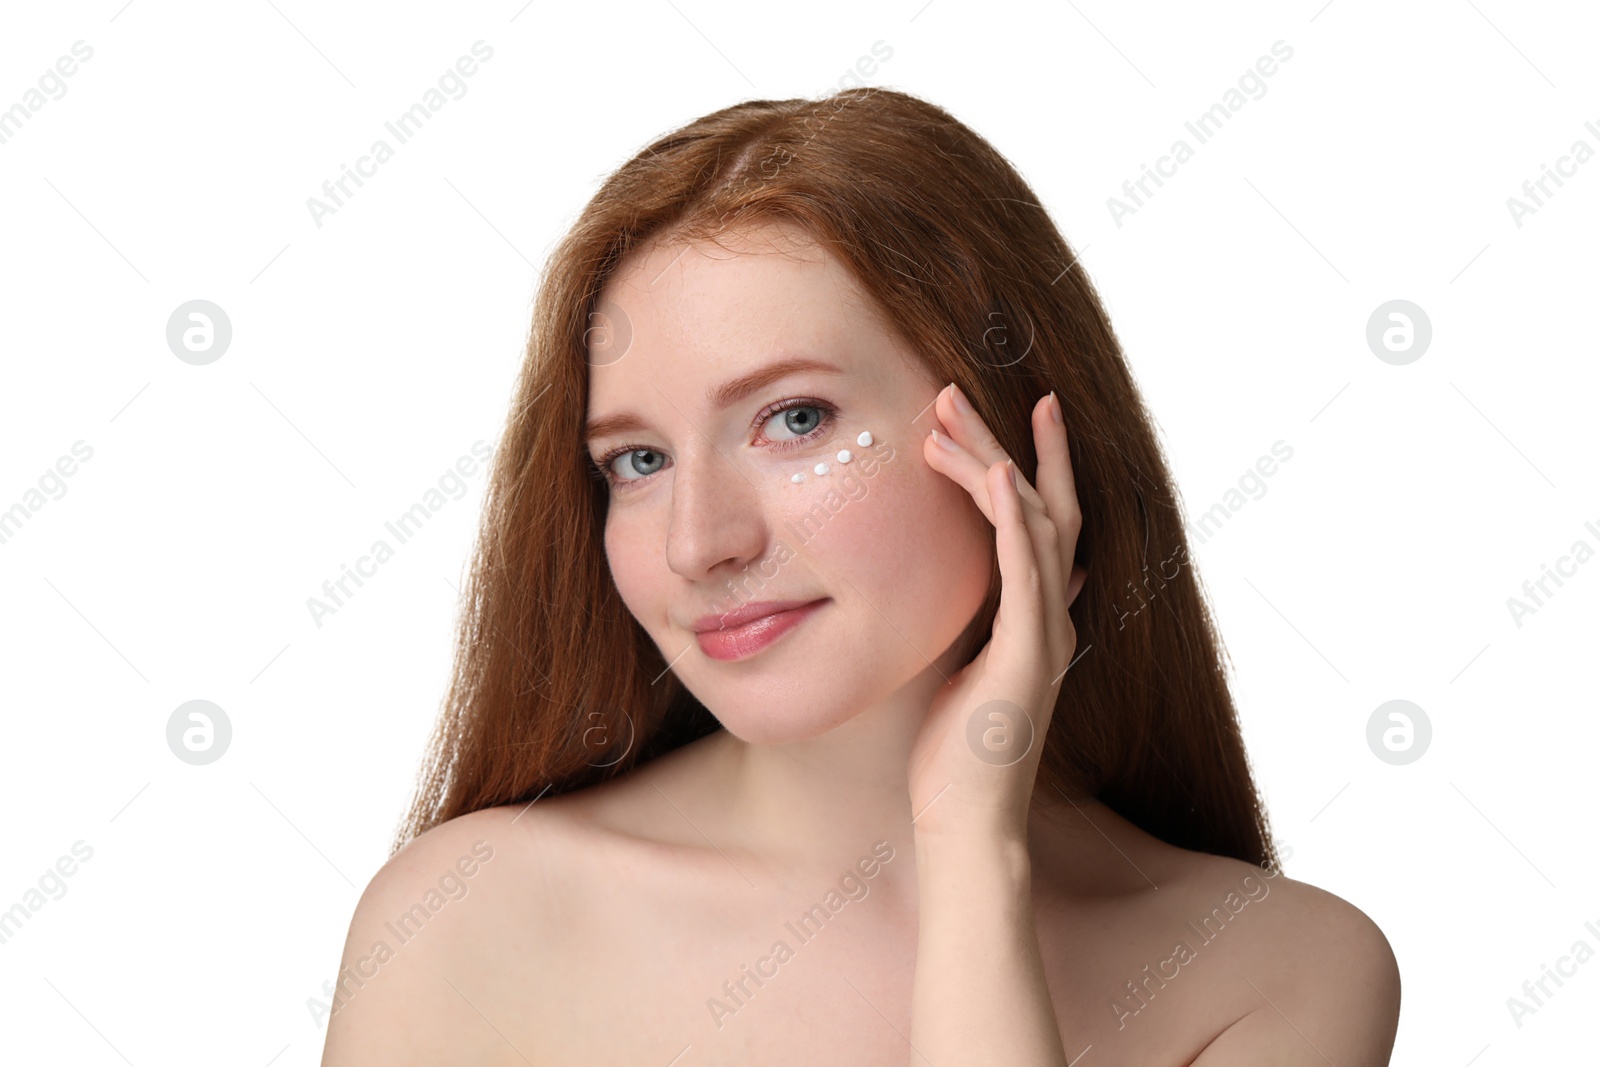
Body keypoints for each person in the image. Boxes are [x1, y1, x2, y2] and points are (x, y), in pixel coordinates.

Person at [320, 87, 1400, 1065]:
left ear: (1013, 439)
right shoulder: (464, 920)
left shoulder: (1280, 972)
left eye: (795, 419)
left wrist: (973, 842)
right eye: (638, 460)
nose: (700, 542)